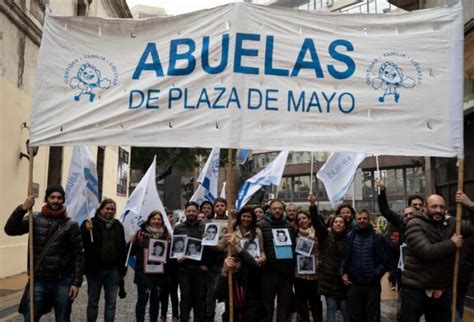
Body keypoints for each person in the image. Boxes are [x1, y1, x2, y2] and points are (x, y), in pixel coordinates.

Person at [4, 184, 84, 322]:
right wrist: (22, 209)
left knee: (63, 318)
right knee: (31, 318)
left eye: (59, 198)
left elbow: (79, 255)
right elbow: (10, 229)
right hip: (38, 281)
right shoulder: (33, 219)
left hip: (63, 282)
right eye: (52, 197)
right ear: (47, 198)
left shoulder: (71, 225)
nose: (55, 200)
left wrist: (76, 283)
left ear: (63, 200)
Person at [400, 192, 474, 322]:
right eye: (434, 206)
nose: (438, 210)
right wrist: (452, 243)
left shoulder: (451, 223)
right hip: (416, 289)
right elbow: (426, 252)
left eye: (441, 207)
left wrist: (470, 205)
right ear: (425, 208)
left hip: (440, 290)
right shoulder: (414, 224)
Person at [81, 198, 127, 322]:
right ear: (101, 209)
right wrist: (85, 230)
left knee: (111, 304)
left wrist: (122, 269)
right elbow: (81, 243)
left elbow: (122, 248)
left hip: (113, 271)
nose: (110, 211)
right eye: (107, 208)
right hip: (95, 271)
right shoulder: (90, 223)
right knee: (93, 302)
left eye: (112, 209)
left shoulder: (118, 225)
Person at [340, 209, 388, 322]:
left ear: (369, 220)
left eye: (364, 218)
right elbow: (344, 258)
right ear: (356, 220)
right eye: (359, 219)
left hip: (372, 285)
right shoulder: (349, 237)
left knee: (373, 316)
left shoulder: (378, 237)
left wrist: (375, 275)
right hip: (354, 284)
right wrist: (342, 273)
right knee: (355, 316)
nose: (362, 221)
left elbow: (385, 261)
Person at [310, 194, 349, 322]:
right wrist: (312, 205)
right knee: (331, 307)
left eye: (341, 222)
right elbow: (316, 223)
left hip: (344, 278)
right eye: (336, 222)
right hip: (329, 278)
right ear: (332, 225)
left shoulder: (349, 238)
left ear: (344, 225)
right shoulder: (326, 236)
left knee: (345, 307)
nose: (338, 224)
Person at [258, 199, 295, 322]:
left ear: (283, 210)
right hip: (268, 272)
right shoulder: (261, 225)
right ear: (269, 210)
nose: (277, 211)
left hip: (286, 273)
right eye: (274, 208)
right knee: (266, 306)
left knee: (285, 306)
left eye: (279, 208)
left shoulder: (289, 226)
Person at [215, 233, 267, 322]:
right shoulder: (227, 276)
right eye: (231, 261)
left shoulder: (249, 272)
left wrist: (236, 246)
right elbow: (218, 295)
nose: (233, 264)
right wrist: (224, 271)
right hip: (233, 316)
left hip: (253, 315)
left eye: (237, 261)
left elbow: (255, 265)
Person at [130, 210, 171, 322]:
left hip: (159, 275)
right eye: (154, 219)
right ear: (149, 220)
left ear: (162, 221)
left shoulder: (166, 234)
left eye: (159, 219)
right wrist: (131, 242)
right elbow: (131, 252)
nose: (156, 221)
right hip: (143, 274)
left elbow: (169, 254)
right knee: (142, 302)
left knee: (155, 302)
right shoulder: (140, 234)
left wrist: (166, 260)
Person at [174, 201, 209, 322]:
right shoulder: (179, 228)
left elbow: (210, 249)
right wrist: (177, 257)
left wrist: (206, 264)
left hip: (200, 269)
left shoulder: (205, 227)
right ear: (185, 212)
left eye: (194, 211)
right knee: (185, 298)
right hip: (184, 269)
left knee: (199, 298)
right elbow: (175, 247)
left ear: (198, 212)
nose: (191, 213)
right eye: (189, 211)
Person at [293, 202, 322, 322]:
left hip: (314, 274)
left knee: (315, 300)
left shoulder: (317, 233)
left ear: (309, 220)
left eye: (304, 218)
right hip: (299, 274)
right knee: (301, 301)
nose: (301, 221)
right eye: (299, 219)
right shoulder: (294, 233)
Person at [205, 197, 228, 321]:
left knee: (228, 290)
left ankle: (228, 314)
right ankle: (210, 315)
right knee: (211, 291)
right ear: (214, 208)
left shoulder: (232, 222)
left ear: (226, 207)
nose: (220, 208)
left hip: (226, 259)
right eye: (217, 206)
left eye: (222, 206)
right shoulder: (208, 223)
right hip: (212, 261)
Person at [160, 208, 180, 322]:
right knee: (163, 292)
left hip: (174, 266)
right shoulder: (160, 232)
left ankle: (175, 315)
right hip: (163, 265)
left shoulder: (176, 230)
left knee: (174, 292)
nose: (170, 218)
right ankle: (163, 314)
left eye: (171, 216)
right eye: (168, 216)